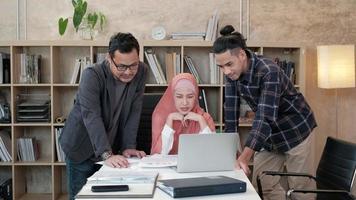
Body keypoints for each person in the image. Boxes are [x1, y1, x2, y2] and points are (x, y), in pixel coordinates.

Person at [212, 25, 317, 200]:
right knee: (262, 187)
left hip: (296, 131)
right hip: (270, 135)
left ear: (242, 55)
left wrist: (244, 158)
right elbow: (231, 112)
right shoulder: (231, 74)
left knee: (301, 190)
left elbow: (264, 118)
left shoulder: (269, 71)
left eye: (229, 64)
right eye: (221, 67)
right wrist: (232, 150)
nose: (226, 71)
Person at [59, 32, 148, 200]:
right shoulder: (92, 75)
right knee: (82, 197)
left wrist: (128, 146)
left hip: (111, 147)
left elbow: (134, 112)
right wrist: (106, 154)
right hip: (82, 146)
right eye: (122, 66)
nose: (128, 72)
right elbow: (91, 116)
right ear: (109, 58)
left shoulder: (141, 71)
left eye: (133, 65)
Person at [151, 73, 216, 155]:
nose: (185, 103)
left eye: (190, 97)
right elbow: (159, 154)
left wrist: (201, 120)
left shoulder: (204, 117)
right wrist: (169, 121)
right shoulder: (160, 117)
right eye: (179, 96)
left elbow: (212, 152)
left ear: (196, 97)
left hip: (196, 166)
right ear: (172, 97)